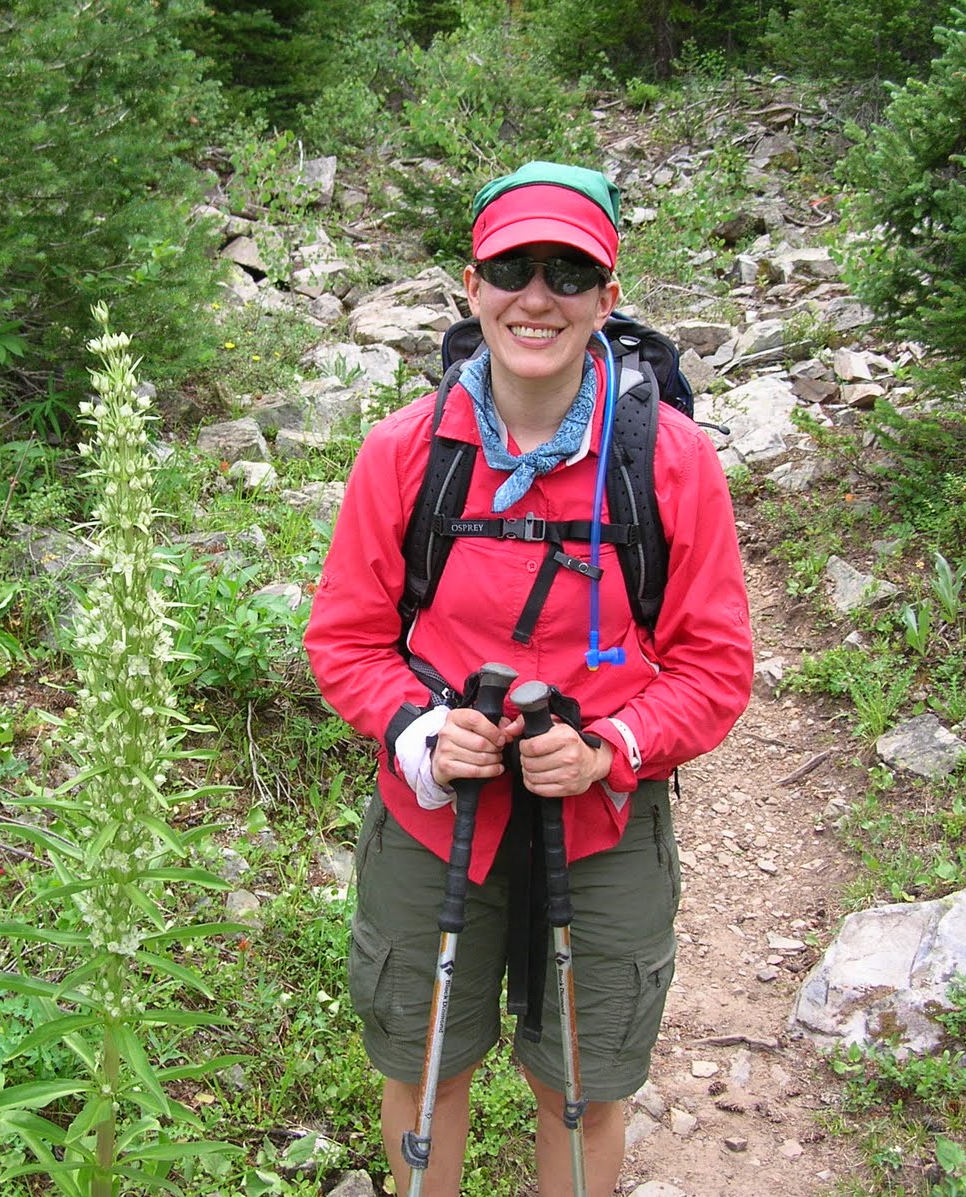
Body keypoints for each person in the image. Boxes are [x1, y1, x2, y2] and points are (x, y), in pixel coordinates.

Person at [304, 160, 753, 1197]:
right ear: (473, 286)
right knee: (423, 1067)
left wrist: (609, 748)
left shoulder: (669, 461)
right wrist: (418, 730)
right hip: (433, 818)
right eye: (512, 266)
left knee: (585, 1089)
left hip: (599, 824)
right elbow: (346, 639)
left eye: (567, 270)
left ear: (608, 294)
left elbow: (715, 666)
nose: (536, 296)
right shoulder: (405, 452)